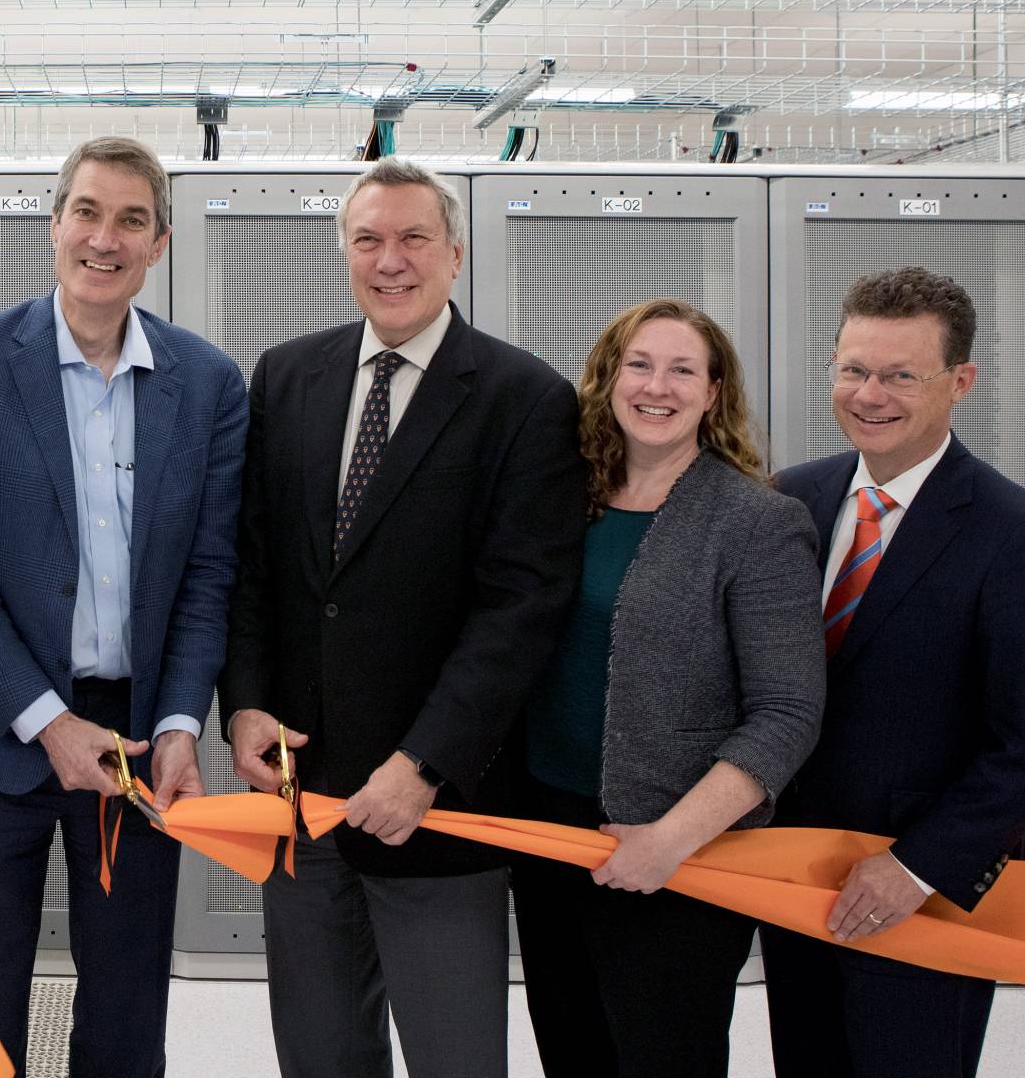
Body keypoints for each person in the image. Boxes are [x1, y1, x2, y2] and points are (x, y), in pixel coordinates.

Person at [219, 156, 585, 1078]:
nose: (391, 260)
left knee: (453, 1056)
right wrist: (248, 705)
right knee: (321, 1053)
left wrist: (423, 764)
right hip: (301, 799)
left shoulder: (523, 398)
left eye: (414, 238)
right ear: (345, 252)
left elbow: (520, 609)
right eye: (369, 239)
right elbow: (255, 565)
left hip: (439, 811)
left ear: (455, 255)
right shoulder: (288, 376)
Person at [0, 135, 248, 1078]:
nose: (107, 238)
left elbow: (209, 574)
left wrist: (184, 722)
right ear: (55, 223)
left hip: (142, 741)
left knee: (126, 1008)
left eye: (132, 220)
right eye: (89, 213)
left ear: (161, 243)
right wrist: (47, 720)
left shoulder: (210, 383)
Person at [509, 299, 825, 1077]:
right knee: (571, 1049)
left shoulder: (757, 521)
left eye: (683, 369)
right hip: (549, 833)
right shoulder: (558, 500)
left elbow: (787, 713)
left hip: (682, 854)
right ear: (608, 378)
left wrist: (672, 839)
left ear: (714, 393)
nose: (659, 386)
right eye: (640, 364)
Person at [762, 267, 1025, 1078]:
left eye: (900, 375)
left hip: (920, 895)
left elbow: (1021, 745)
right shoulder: (790, 502)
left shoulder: (1007, 529)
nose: (869, 395)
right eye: (854, 370)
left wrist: (914, 868)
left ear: (961, 382)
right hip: (786, 879)